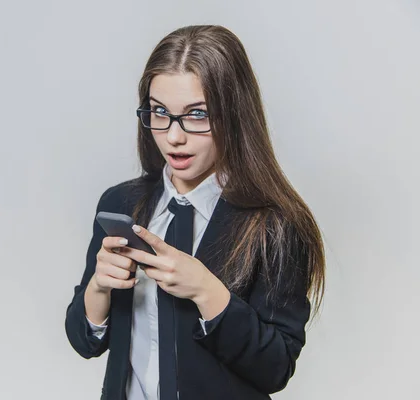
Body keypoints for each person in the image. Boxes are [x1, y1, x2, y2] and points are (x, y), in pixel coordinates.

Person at [64, 24, 325, 400]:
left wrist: (207, 291)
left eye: (197, 114)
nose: (173, 136)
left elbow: (276, 368)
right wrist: (98, 287)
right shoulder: (120, 204)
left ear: (234, 115)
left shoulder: (275, 225)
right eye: (159, 112)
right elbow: (83, 340)